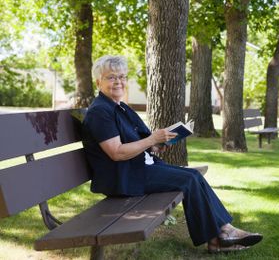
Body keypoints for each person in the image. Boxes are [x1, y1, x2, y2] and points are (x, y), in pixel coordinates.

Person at [82, 55, 262, 253]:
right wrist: (151, 139)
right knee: (190, 178)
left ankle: (221, 235)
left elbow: (137, 142)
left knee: (192, 176)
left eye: (123, 77)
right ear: (98, 81)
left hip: (138, 168)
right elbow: (116, 153)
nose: (119, 82)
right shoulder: (100, 112)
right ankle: (221, 235)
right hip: (124, 177)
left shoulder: (120, 107)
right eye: (112, 77)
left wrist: (155, 145)